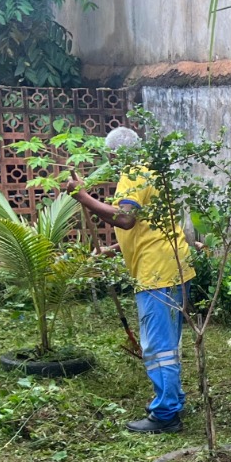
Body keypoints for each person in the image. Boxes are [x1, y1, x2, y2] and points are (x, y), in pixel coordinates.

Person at [66, 127, 195, 433]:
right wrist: (112, 249)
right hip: (175, 265)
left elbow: (126, 219)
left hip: (156, 273)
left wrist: (83, 197)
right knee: (169, 342)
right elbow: (147, 225)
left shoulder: (133, 174)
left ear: (116, 155)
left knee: (157, 346)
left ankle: (165, 415)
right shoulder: (152, 172)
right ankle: (174, 400)